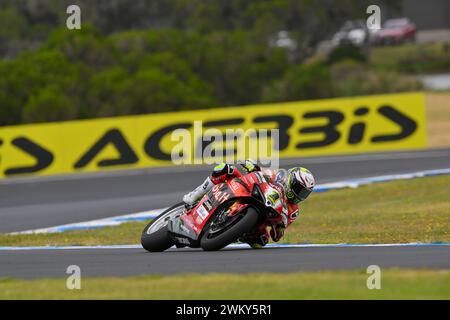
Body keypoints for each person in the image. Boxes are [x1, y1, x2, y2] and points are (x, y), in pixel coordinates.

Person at [182, 159, 315, 248]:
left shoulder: (293, 211)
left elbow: (277, 236)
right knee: (224, 168)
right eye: (299, 189)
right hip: (247, 190)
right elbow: (260, 171)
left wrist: (279, 227)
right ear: (291, 180)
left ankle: (234, 234)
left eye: (304, 193)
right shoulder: (277, 176)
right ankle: (194, 196)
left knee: (261, 241)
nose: (299, 194)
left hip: (261, 216)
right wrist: (252, 166)